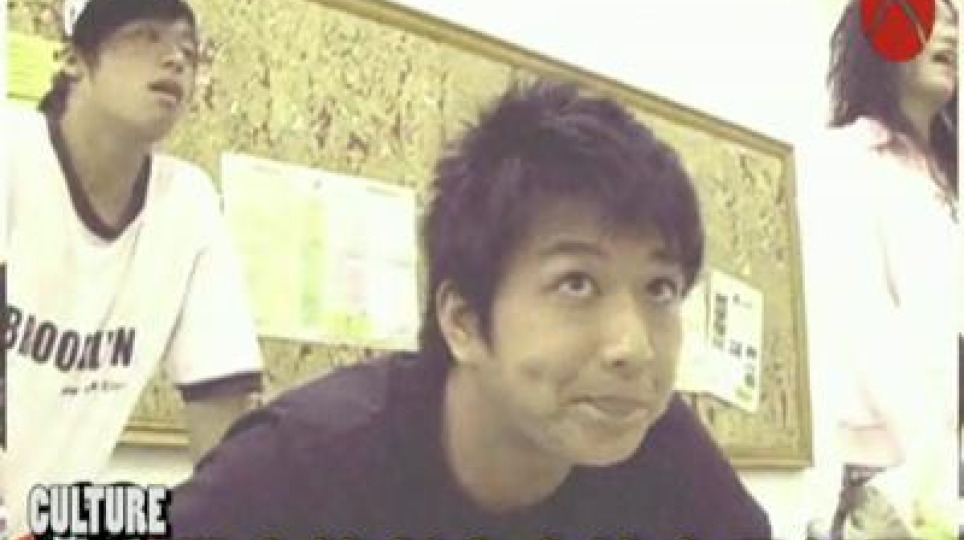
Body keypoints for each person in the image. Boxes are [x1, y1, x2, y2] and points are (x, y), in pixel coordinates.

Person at [169, 81, 771, 540]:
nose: (633, 348)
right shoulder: (301, 465)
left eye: (659, 289)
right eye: (578, 284)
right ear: (462, 322)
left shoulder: (666, 458)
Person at [3, 0, 264, 536]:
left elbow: (223, 421)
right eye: (145, 35)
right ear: (74, 59)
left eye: (188, 50)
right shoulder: (12, 156)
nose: (174, 59)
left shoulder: (188, 206)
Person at [800, 0, 959, 538]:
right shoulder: (847, 158)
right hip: (887, 483)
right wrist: (937, 469)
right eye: (929, 18)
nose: (950, 34)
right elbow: (865, 320)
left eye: (955, 22)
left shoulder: (948, 178)